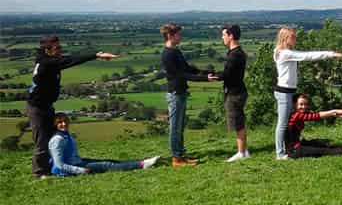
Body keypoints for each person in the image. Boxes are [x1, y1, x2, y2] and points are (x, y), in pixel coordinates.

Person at [26, 35, 118, 179]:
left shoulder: (49, 60)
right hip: (37, 108)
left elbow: (69, 58)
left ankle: (54, 166)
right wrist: (96, 55)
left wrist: (96, 55)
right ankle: (39, 173)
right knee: (42, 141)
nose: (61, 49)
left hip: (45, 106)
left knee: (51, 137)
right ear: (47, 50)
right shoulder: (47, 63)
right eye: (57, 48)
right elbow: (70, 61)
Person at [273, 27, 342, 160]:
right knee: (282, 123)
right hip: (284, 92)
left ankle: (289, 147)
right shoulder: (285, 53)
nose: (295, 39)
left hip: (288, 91)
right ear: (285, 38)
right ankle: (280, 153)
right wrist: (330, 54)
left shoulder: (285, 52)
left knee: (288, 122)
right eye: (292, 37)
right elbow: (307, 56)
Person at [160, 23, 218, 167]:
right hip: (175, 93)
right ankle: (176, 159)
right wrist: (204, 79)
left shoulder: (176, 51)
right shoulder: (167, 54)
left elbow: (187, 68)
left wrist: (205, 72)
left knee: (179, 127)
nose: (181, 37)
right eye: (178, 34)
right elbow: (181, 74)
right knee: (175, 127)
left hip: (180, 92)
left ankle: (180, 155)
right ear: (170, 36)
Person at [48, 113, 159, 176]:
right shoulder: (57, 140)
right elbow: (59, 164)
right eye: (60, 122)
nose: (64, 124)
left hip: (78, 162)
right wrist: (80, 171)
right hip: (68, 171)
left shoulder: (66, 135)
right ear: (55, 125)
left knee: (110, 161)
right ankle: (142, 165)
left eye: (65, 121)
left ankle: (141, 162)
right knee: (107, 165)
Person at [285, 93, 342, 158]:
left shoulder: (299, 113)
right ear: (294, 104)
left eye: (305, 104)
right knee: (323, 150)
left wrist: (336, 115)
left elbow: (312, 114)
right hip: (294, 150)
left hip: (299, 145)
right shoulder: (295, 115)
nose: (304, 107)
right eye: (301, 104)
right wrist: (335, 111)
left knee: (319, 144)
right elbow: (316, 116)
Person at [219, 24, 249, 162]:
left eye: (224, 35)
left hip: (234, 93)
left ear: (231, 36)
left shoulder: (234, 55)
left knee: (237, 122)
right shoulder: (238, 52)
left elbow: (227, 74)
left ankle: (241, 152)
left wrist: (213, 76)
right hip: (238, 91)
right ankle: (244, 150)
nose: (222, 37)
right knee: (238, 120)